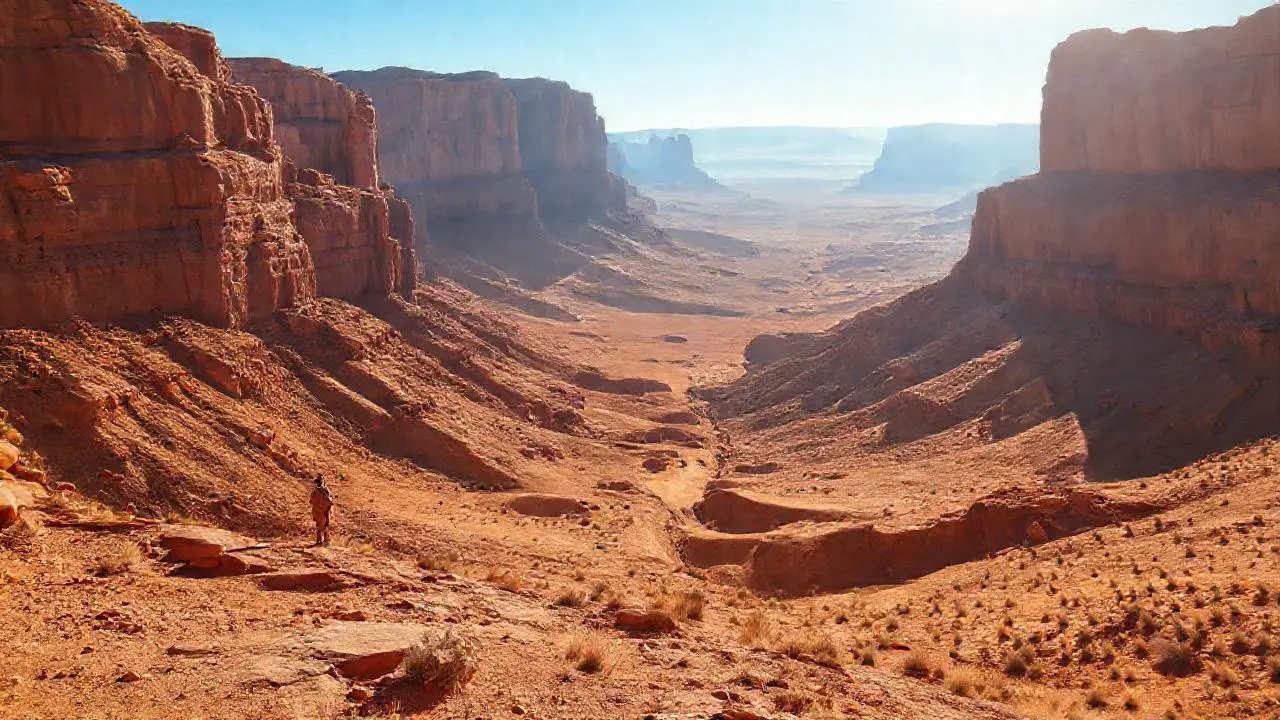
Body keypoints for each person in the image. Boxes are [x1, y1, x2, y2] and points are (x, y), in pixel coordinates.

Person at [309, 474, 334, 546]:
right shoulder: (315, 491)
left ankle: (327, 542)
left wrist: (327, 514)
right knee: (318, 526)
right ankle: (318, 541)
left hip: (323, 511)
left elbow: (330, 503)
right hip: (317, 511)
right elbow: (311, 501)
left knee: (323, 526)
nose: (317, 483)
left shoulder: (325, 491)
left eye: (319, 481)